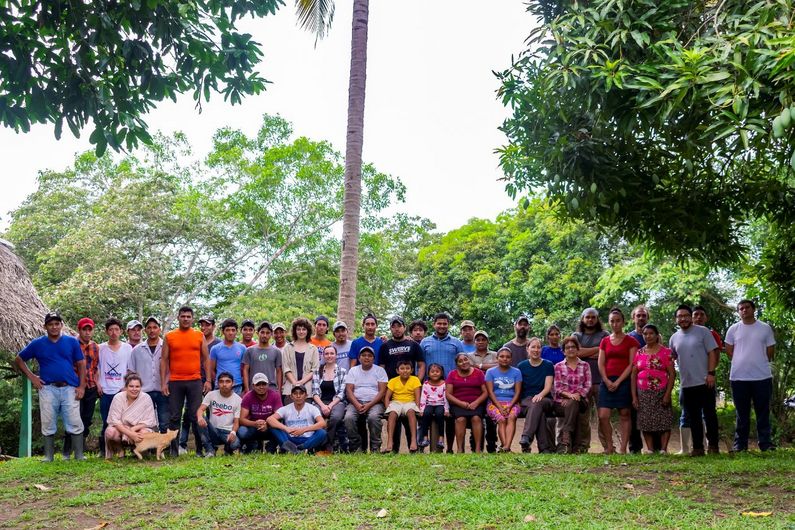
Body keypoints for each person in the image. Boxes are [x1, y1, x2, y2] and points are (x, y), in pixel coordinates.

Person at [15, 312, 86, 462]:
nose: (54, 327)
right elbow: (19, 359)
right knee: (47, 421)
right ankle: (48, 456)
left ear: (61, 325)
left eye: (56, 323)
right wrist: (32, 377)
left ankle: (79, 455)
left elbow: (81, 364)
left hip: (69, 387)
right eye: (50, 324)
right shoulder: (37, 343)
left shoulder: (72, 342)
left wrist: (82, 386)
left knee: (74, 421)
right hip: (47, 388)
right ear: (45, 326)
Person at [669, 304, 720, 456]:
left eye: (686, 315)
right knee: (693, 417)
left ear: (690, 317)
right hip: (687, 383)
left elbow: (712, 352)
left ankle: (713, 446)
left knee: (710, 414)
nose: (683, 319)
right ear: (676, 319)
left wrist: (711, 373)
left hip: (705, 380)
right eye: (680, 316)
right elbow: (672, 357)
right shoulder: (674, 338)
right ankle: (697, 448)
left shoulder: (703, 332)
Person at [725, 299, 776, 452]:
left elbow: (770, 351)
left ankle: (765, 444)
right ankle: (740, 445)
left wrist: (758, 361)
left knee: (763, 412)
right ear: (738, 312)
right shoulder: (733, 329)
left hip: (762, 377)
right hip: (739, 377)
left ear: (754, 309)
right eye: (741, 308)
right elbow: (729, 350)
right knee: (742, 413)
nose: (744, 310)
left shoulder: (765, 328)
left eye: (747, 307)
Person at [160, 306, 212, 456]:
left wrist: (207, 380)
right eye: (183, 316)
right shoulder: (169, 336)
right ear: (178, 318)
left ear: (192, 319)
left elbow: (206, 359)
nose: (186, 319)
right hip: (175, 381)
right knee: (174, 416)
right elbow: (164, 360)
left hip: (195, 381)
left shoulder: (199, 335)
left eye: (188, 316)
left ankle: (199, 450)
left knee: (196, 416)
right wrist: (163, 383)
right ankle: (174, 450)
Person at [597, 308, 639, 454]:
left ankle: (623, 449)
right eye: (612, 321)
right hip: (607, 381)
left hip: (624, 381)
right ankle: (609, 447)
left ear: (623, 322)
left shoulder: (631, 341)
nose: (615, 324)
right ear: (609, 323)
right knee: (603, 415)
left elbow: (631, 364)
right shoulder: (605, 341)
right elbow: (601, 363)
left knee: (625, 414)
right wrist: (607, 381)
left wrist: (619, 381)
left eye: (618, 321)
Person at [421, 313, 464, 452]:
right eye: (439, 323)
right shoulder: (425, 342)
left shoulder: (456, 342)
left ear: (448, 325)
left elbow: (462, 363)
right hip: (430, 387)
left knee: (450, 417)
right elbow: (420, 364)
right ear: (434, 324)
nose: (442, 326)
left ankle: (450, 448)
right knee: (427, 415)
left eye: (445, 323)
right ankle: (424, 444)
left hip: (451, 386)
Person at [631, 325, 675, 453]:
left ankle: (663, 449)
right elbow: (633, 374)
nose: (648, 336)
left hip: (661, 391)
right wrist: (634, 396)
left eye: (651, 333)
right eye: (645, 334)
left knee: (664, 420)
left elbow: (672, 374)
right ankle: (650, 449)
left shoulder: (666, 352)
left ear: (657, 335)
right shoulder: (639, 352)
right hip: (643, 392)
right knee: (645, 420)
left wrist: (667, 394)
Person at [572, 308, 610, 453]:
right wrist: (598, 349)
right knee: (583, 416)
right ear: (582, 319)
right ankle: (583, 446)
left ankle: (608, 446)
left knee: (603, 416)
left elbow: (606, 355)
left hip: (601, 380)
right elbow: (576, 353)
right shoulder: (576, 335)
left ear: (597, 319)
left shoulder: (605, 335)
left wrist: (586, 352)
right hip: (582, 383)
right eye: (587, 317)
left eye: (593, 317)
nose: (590, 320)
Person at [62, 317, 99, 459]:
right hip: (74, 387)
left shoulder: (95, 347)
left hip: (90, 387)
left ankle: (80, 450)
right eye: (85, 329)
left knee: (86, 419)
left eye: (90, 329)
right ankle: (66, 452)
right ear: (79, 330)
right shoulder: (71, 344)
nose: (87, 332)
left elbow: (95, 367)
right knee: (72, 418)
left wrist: (97, 384)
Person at [97, 317, 133, 457]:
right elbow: (96, 368)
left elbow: (130, 370)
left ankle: (122, 449)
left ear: (121, 331)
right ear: (106, 332)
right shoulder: (100, 348)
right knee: (107, 421)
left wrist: (126, 387)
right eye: (110, 330)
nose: (113, 332)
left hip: (121, 391)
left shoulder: (127, 348)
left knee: (123, 421)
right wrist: (98, 384)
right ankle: (105, 451)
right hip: (105, 391)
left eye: (116, 329)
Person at [128, 316, 169, 433]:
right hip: (144, 392)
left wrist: (167, 383)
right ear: (145, 330)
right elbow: (131, 371)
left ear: (159, 330)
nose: (152, 330)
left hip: (163, 390)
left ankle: (164, 448)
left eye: (155, 327)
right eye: (149, 328)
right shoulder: (137, 350)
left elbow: (171, 369)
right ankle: (148, 448)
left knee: (164, 421)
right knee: (145, 422)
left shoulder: (167, 347)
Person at [343, 346, 388, 453]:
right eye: (363, 355)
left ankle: (375, 446)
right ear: (359, 358)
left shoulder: (380, 370)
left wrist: (369, 405)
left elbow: (382, 391)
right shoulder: (353, 370)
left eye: (369, 356)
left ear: (373, 358)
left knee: (373, 417)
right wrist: (357, 404)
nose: (366, 358)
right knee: (348, 418)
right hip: (355, 402)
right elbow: (349, 391)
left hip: (375, 403)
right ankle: (356, 446)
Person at [553, 336, 592, 454]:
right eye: (567, 347)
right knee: (573, 404)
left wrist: (577, 395)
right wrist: (570, 396)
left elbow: (588, 385)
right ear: (563, 351)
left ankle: (565, 439)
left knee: (574, 403)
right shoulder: (558, 366)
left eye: (573, 347)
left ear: (577, 349)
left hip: (581, 401)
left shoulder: (585, 365)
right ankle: (576, 447)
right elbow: (557, 387)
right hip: (562, 402)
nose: (570, 349)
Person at [104, 373, 157, 459]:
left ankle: (140, 451)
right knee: (110, 432)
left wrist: (132, 430)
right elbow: (115, 421)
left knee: (144, 433)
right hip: (121, 428)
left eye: (137, 386)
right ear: (126, 387)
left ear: (141, 387)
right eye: (131, 386)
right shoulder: (118, 398)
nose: (134, 389)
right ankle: (120, 450)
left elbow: (149, 421)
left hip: (139, 428)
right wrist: (129, 433)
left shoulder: (146, 398)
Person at [518, 337, 554, 453]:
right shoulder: (521, 366)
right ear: (527, 349)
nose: (536, 350)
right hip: (526, 400)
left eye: (539, 347)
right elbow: (518, 387)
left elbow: (548, 387)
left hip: (545, 399)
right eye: (533, 347)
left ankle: (526, 437)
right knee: (539, 412)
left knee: (537, 403)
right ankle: (544, 448)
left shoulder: (548, 365)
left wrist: (540, 395)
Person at [446, 353, 487, 453]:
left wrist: (476, 403)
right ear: (457, 364)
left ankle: (478, 449)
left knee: (476, 418)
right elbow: (448, 394)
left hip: (476, 403)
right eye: (460, 361)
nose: (464, 362)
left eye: (465, 359)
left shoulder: (479, 373)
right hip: (458, 404)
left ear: (469, 360)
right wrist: (461, 403)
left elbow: (485, 392)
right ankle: (460, 449)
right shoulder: (452, 374)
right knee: (460, 419)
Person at [267, 385, 328, 454]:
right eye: (295, 393)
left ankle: (299, 449)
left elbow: (322, 423)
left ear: (306, 396)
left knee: (322, 432)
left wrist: (304, 430)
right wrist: (286, 428)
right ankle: (297, 450)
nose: (298, 396)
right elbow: (270, 419)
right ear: (291, 396)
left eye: (301, 393)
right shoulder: (286, 408)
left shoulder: (312, 408)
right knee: (274, 428)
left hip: (307, 439)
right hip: (290, 439)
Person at [465, 330, 498, 453]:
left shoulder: (495, 354)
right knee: (476, 417)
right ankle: (475, 446)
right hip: (475, 391)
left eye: (483, 339)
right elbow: (468, 367)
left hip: (493, 391)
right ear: (474, 342)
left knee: (491, 419)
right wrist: (488, 366)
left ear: (488, 341)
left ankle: (491, 446)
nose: (481, 342)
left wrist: (478, 366)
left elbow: (499, 365)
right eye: (478, 340)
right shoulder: (468, 356)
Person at [485, 347, 523, 452]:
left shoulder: (516, 372)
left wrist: (510, 406)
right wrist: (500, 407)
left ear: (511, 359)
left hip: (512, 402)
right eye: (501, 356)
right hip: (494, 403)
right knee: (501, 419)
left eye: (507, 357)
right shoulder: (490, 372)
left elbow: (517, 392)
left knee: (511, 417)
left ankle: (506, 447)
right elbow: (490, 392)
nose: (504, 359)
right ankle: (506, 447)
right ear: (497, 358)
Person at [196, 371, 242, 456]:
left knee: (235, 445)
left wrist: (233, 432)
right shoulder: (211, 394)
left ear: (233, 383)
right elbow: (200, 409)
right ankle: (210, 450)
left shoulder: (238, 400)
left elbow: (236, 422)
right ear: (217, 383)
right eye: (221, 381)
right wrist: (200, 417)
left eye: (227, 381)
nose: (224, 384)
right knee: (199, 418)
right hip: (213, 430)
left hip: (227, 431)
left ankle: (227, 449)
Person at [312, 345, 348, 452]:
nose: (329, 356)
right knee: (316, 416)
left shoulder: (342, 371)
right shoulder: (317, 371)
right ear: (323, 356)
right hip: (320, 402)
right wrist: (323, 406)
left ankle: (327, 444)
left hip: (337, 402)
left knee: (336, 418)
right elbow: (315, 392)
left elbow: (341, 393)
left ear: (336, 355)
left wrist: (330, 406)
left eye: (332, 353)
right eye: (326, 354)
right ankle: (316, 445)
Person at [626, 304, 651, 453]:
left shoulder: (655, 335)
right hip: (633, 381)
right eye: (638, 315)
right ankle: (635, 447)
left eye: (644, 315)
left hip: (651, 382)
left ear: (647, 318)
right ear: (633, 318)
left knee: (651, 413)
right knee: (632, 414)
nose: (641, 318)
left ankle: (654, 447)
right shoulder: (629, 337)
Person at [238, 373, 283, 453]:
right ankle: (252, 446)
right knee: (242, 431)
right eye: (258, 384)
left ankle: (271, 447)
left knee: (280, 428)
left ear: (268, 384)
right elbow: (241, 419)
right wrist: (255, 424)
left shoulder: (275, 396)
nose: (261, 387)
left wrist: (267, 424)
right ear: (253, 385)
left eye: (264, 384)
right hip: (253, 426)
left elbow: (280, 416)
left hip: (270, 426)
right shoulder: (248, 396)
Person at [383, 360, 421, 453]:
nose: (405, 371)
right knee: (392, 414)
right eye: (402, 369)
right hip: (396, 402)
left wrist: (417, 407)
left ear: (412, 370)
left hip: (410, 402)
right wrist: (388, 407)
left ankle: (413, 440)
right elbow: (387, 397)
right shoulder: (393, 381)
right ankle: (390, 441)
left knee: (411, 412)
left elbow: (417, 396)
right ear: (397, 371)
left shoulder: (415, 379)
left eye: (408, 368)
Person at [282, 317, 320, 404]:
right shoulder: (288, 348)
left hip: (307, 390)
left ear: (308, 331)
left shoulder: (313, 349)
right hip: (290, 389)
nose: (301, 332)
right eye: (298, 329)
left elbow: (315, 369)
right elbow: (286, 368)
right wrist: (295, 383)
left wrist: (301, 382)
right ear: (295, 331)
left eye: (304, 329)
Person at [242, 321, 283, 394]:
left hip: (271, 389)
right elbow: (245, 370)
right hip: (254, 389)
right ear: (258, 333)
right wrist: (247, 390)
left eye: (267, 333)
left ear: (271, 334)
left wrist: (279, 390)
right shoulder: (249, 351)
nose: (265, 335)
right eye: (262, 332)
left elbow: (279, 371)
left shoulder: (276, 351)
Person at [379, 315, 426, 380]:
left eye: (399, 326)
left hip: (410, 387)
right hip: (391, 387)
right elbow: (381, 368)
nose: (397, 329)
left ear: (404, 327)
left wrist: (417, 383)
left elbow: (421, 365)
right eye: (393, 327)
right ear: (390, 329)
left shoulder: (414, 345)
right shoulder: (384, 346)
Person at [209, 318, 246, 395]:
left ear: (237, 332)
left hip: (237, 386)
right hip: (220, 386)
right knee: (219, 407)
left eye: (233, 330)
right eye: (228, 330)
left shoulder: (242, 348)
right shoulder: (215, 349)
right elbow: (211, 369)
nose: (230, 333)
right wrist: (219, 381)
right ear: (223, 332)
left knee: (237, 407)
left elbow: (245, 369)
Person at [418, 363, 448, 450]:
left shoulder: (444, 384)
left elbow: (446, 398)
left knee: (439, 415)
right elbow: (423, 397)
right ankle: (425, 438)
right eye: (432, 371)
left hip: (440, 404)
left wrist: (446, 409)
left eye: (437, 371)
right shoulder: (426, 384)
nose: (435, 373)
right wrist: (422, 409)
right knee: (426, 414)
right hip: (429, 404)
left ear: (441, 373)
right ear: (428, 374)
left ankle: (441, 438)